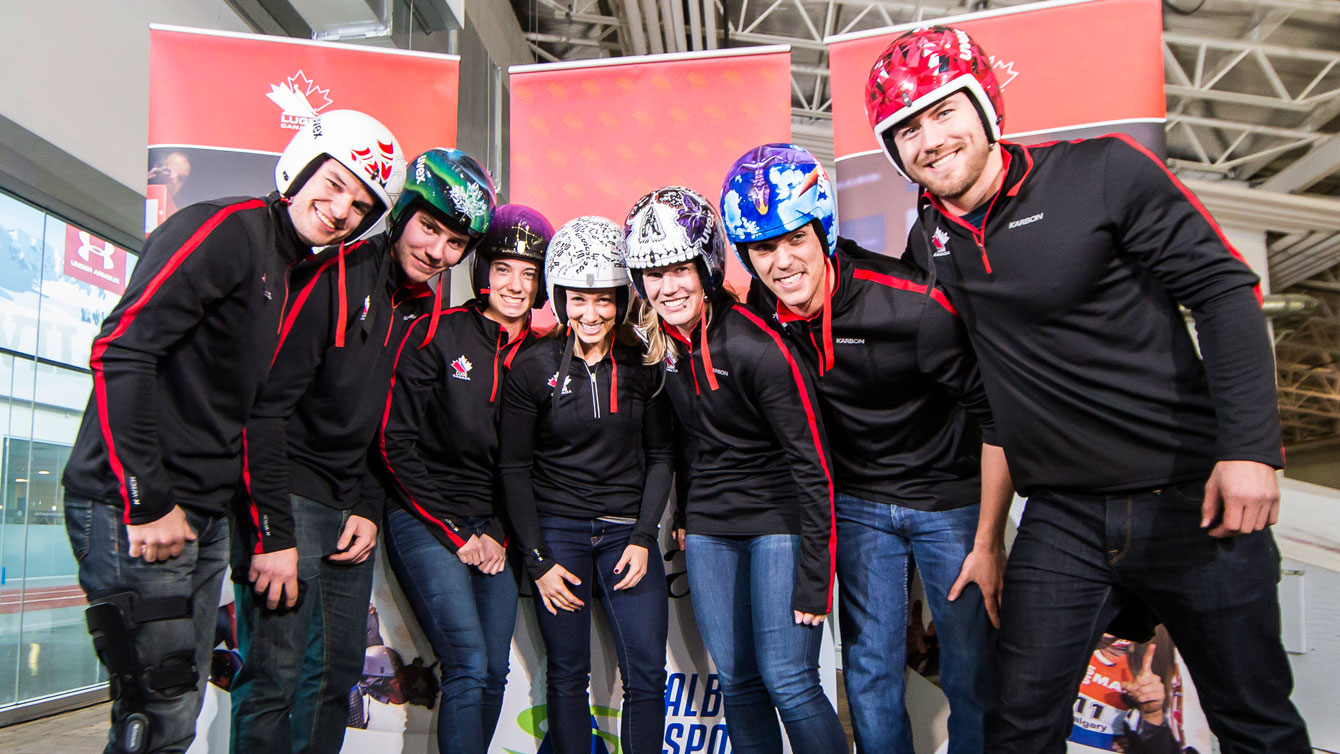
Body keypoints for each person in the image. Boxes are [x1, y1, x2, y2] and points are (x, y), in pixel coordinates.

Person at [863, 25, 1311, 753]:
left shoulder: (1103, 172)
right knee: (1018, 722)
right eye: (906, 130)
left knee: (1253, 720)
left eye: (944, 111)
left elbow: (1225, 292)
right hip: (1064, 515)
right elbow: (993, 403)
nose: (930, 140)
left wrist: (1252, 448)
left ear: (984, 106)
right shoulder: (929, 242)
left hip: (1190, 498)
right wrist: (987, 540)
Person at [60, 109, 404, 754]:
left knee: (179, 708)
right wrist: (147, 498)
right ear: (300, 168)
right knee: (154, 711)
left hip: (205, 515)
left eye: (358, 205)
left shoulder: (293, 266)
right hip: (136, 508)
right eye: (332, 185)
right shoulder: (224, 229)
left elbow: (253, 411)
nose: (338, 209)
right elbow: (121, 353)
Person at [727, 142, 1008, 754]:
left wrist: (988, 541)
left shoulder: (913, 305)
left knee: (970, 670)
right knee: (870, 672)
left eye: (794, 239)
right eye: (762, 249)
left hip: (948, 500)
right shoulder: (763, 314)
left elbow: (996, 420)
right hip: (856, 503)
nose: (781, 263)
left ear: (822, 229)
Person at [230, 148, 495, 754]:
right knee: (274, 676)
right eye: (430, 228)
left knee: (335, 675)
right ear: (401, 213)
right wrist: (273, 531)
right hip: (286, 497)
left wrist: (368, 507)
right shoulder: (336, 276)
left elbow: (384, 425)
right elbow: (265, 408)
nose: (437, 252)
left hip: (348, 503)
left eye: (455, 242)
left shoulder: (423, 307)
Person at [623, 187, 847, 754]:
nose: (667, 286)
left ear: (706, 267)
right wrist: (688, 512)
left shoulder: (757, 344)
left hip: (778, 521)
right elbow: (687, 442)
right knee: (738, 684)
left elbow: (813, 464)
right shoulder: (660, 344)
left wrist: (816, 577)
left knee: (790, 681)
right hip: (708, 530)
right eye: (652, 272)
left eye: (679, 269)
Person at [379, 203, 553, 754]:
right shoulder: (438, 332)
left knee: (494, 670)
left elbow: (536, 463)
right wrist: (458, 533)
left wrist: (500, 531)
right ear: (482, 273)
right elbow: (394, 442)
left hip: (497, 529)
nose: (515, 284)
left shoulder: (551, 353)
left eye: (529, 272)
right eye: (503, 268)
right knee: (469, 663)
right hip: (427, 517)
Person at [497, 216, 673, 754]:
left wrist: (645, 537)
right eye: (578, 299)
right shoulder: (531, 368)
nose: (591, 314)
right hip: (558, 535)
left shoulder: (644, 363)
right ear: (559, 296)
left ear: (621, 299)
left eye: (604, 300)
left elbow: (662, 455)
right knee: (568, 675)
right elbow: (513, 469)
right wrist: (539, 561)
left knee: (645, 676)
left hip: (627, 537)